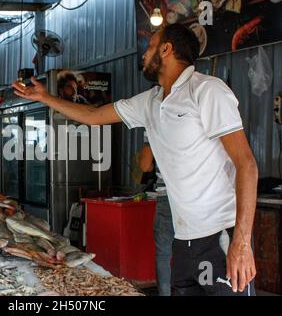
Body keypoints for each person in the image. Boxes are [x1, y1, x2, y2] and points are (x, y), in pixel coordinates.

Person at [13, 24, 258, 296]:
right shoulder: (150, 101)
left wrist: (242, 242)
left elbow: (246, 164)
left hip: (220, 236)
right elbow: (94, 117)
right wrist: (46, 98)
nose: (144, 54)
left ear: (166, 49)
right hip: (183, 238)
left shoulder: (207, 91)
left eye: (150, 47)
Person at [139, 139, 174, 296]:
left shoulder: (154, 124)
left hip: (166, 197)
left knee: (164, 253)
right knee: (193, 248)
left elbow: (145, 166)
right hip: (193, 198)